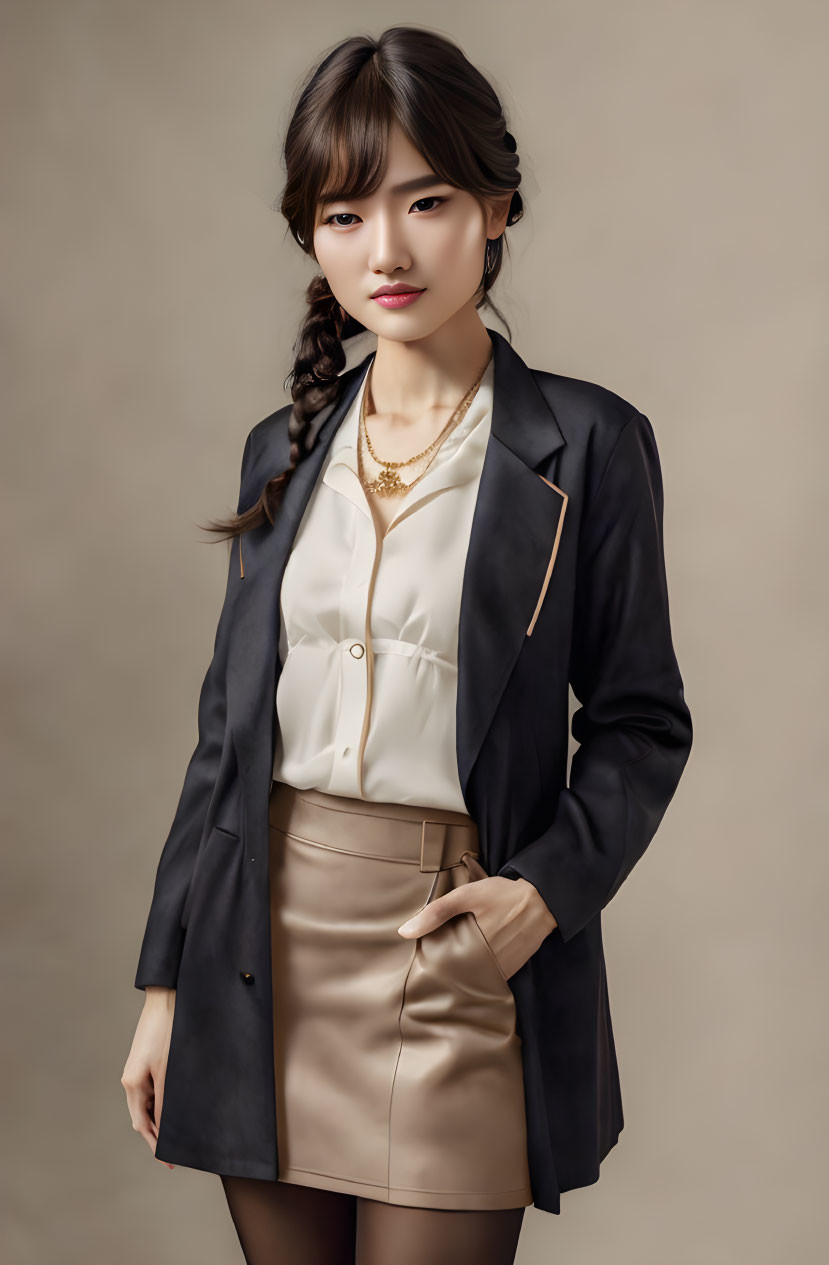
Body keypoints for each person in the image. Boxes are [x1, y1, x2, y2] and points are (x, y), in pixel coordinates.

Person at [121, 25, 693, 1265]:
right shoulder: (281, 450)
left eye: (425, 201)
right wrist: (163, 986)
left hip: (451, 948)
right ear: (311, 236)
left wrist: (539, 900)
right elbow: (225, 738)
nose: (384, 251)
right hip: (256, 954)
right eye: (341, 214)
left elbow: (643, 721)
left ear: (495, 209)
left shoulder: (586, 448)